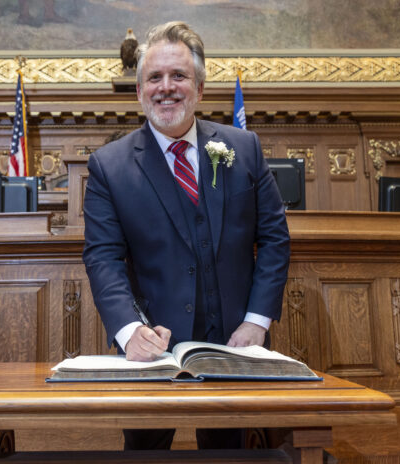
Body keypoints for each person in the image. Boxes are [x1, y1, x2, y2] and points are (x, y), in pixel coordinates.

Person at [82, 21, 290, 450]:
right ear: (139, 91)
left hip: (235, 345)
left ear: (199, 88)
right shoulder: (109, 166)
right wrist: (127, 331)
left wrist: (256, 322)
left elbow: (274, 238)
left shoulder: (243, 148)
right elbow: (102, 257)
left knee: (231, 455)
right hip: (151, 349)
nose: (166, 87)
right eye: (154, 78)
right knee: (145, 454)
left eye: (178, 76)